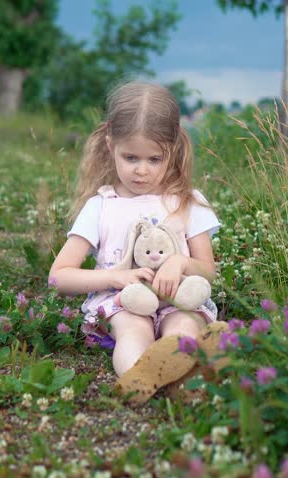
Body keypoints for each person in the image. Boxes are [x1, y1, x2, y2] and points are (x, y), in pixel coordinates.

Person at [49, 82, 223, 403]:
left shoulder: (188, 202)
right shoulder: (101, 206)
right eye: (130, 157)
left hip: (180, 299)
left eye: (154, 160)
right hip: (125, 302)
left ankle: (184, 381)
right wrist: (116, 277)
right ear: (109, 144)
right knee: (134, 331)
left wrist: (180, 262)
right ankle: (140, 377)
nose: (141, 171)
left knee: (182, 327)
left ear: (173, 149)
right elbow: (59, 276)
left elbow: (208, 271)